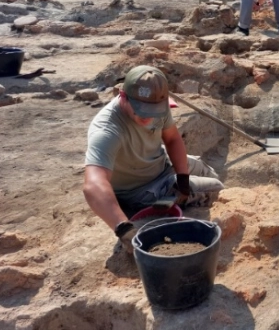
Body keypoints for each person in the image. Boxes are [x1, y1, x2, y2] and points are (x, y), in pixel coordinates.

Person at [82, 65, 224, 253]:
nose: (149, 117)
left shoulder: (158, 104)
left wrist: (183, 177)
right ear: (123, 96)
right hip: (140, 189)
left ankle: (180, 184)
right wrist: (123, 228)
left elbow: (172, 138)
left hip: (160, 163)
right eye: (141, 110)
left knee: (210, 174)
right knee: (213, 188)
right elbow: (93, 183)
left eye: (154, 110)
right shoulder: (107, 130)